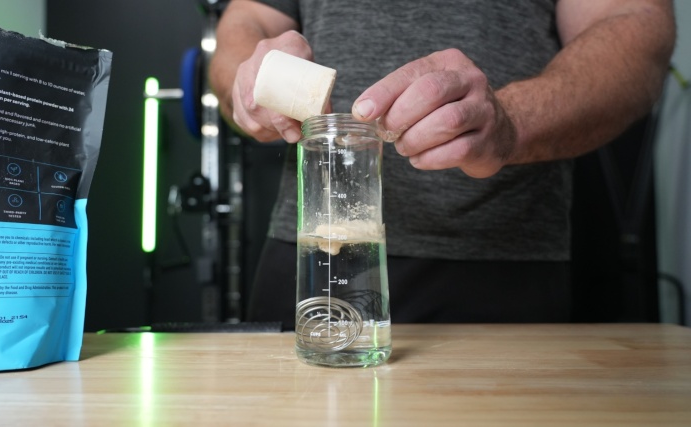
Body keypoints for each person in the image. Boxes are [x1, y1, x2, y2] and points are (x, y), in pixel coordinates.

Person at [208, 0, 676, 330]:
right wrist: (250, 81)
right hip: (314, 255)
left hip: (498, 262)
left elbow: (634, 21)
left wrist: (512, 120)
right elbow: (246, 19)